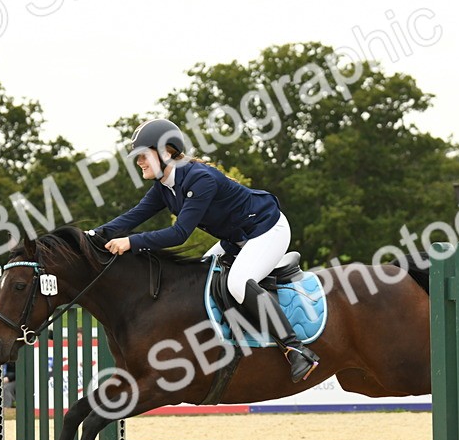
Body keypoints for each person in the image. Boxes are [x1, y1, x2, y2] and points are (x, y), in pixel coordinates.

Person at [92, 119, 319, 383]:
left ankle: (296, 349)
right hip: (236, 240)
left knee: (237, 284)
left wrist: (131, 242)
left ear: (165, 152)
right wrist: (93, 235)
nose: (139, 162)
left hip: (268, 229)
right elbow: (133, 216)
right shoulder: (164, 187)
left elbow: (179, 234)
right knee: (201, 278)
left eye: (143, 155)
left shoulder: (200, 179)